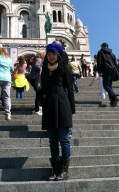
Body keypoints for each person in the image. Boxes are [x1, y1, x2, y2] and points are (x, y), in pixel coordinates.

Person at [41, 42, 75, 181]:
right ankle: (55, 169)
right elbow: (42, 88)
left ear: (58, 55)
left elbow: (70, 89)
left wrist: (72, 109)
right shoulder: (45, 70)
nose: (51, 57)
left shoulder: (64, 69)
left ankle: (64, 169)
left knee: (64, 139)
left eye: (53, 54)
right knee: (52, 141)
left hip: (62, 106)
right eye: (49, 54)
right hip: (49, 107)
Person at [97, 42, 119, 107]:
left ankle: (114, 96)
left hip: (106, 70)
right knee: (109, 85)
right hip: (113, 70)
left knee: (106, 85)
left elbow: (99, 62)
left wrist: (99, 71)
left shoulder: (100, 52)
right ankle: (112, 101)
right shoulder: (112, 53)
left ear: (103, 46)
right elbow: (115, 63)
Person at [29, 51, 46, 115]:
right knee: (39, 93)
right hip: (36, 78)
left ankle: (39, 107)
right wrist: (44, 69)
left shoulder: (38, 58)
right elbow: (37, 66)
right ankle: (37, 109)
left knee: (40, 93)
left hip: (35, 78)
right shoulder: (39, 58)